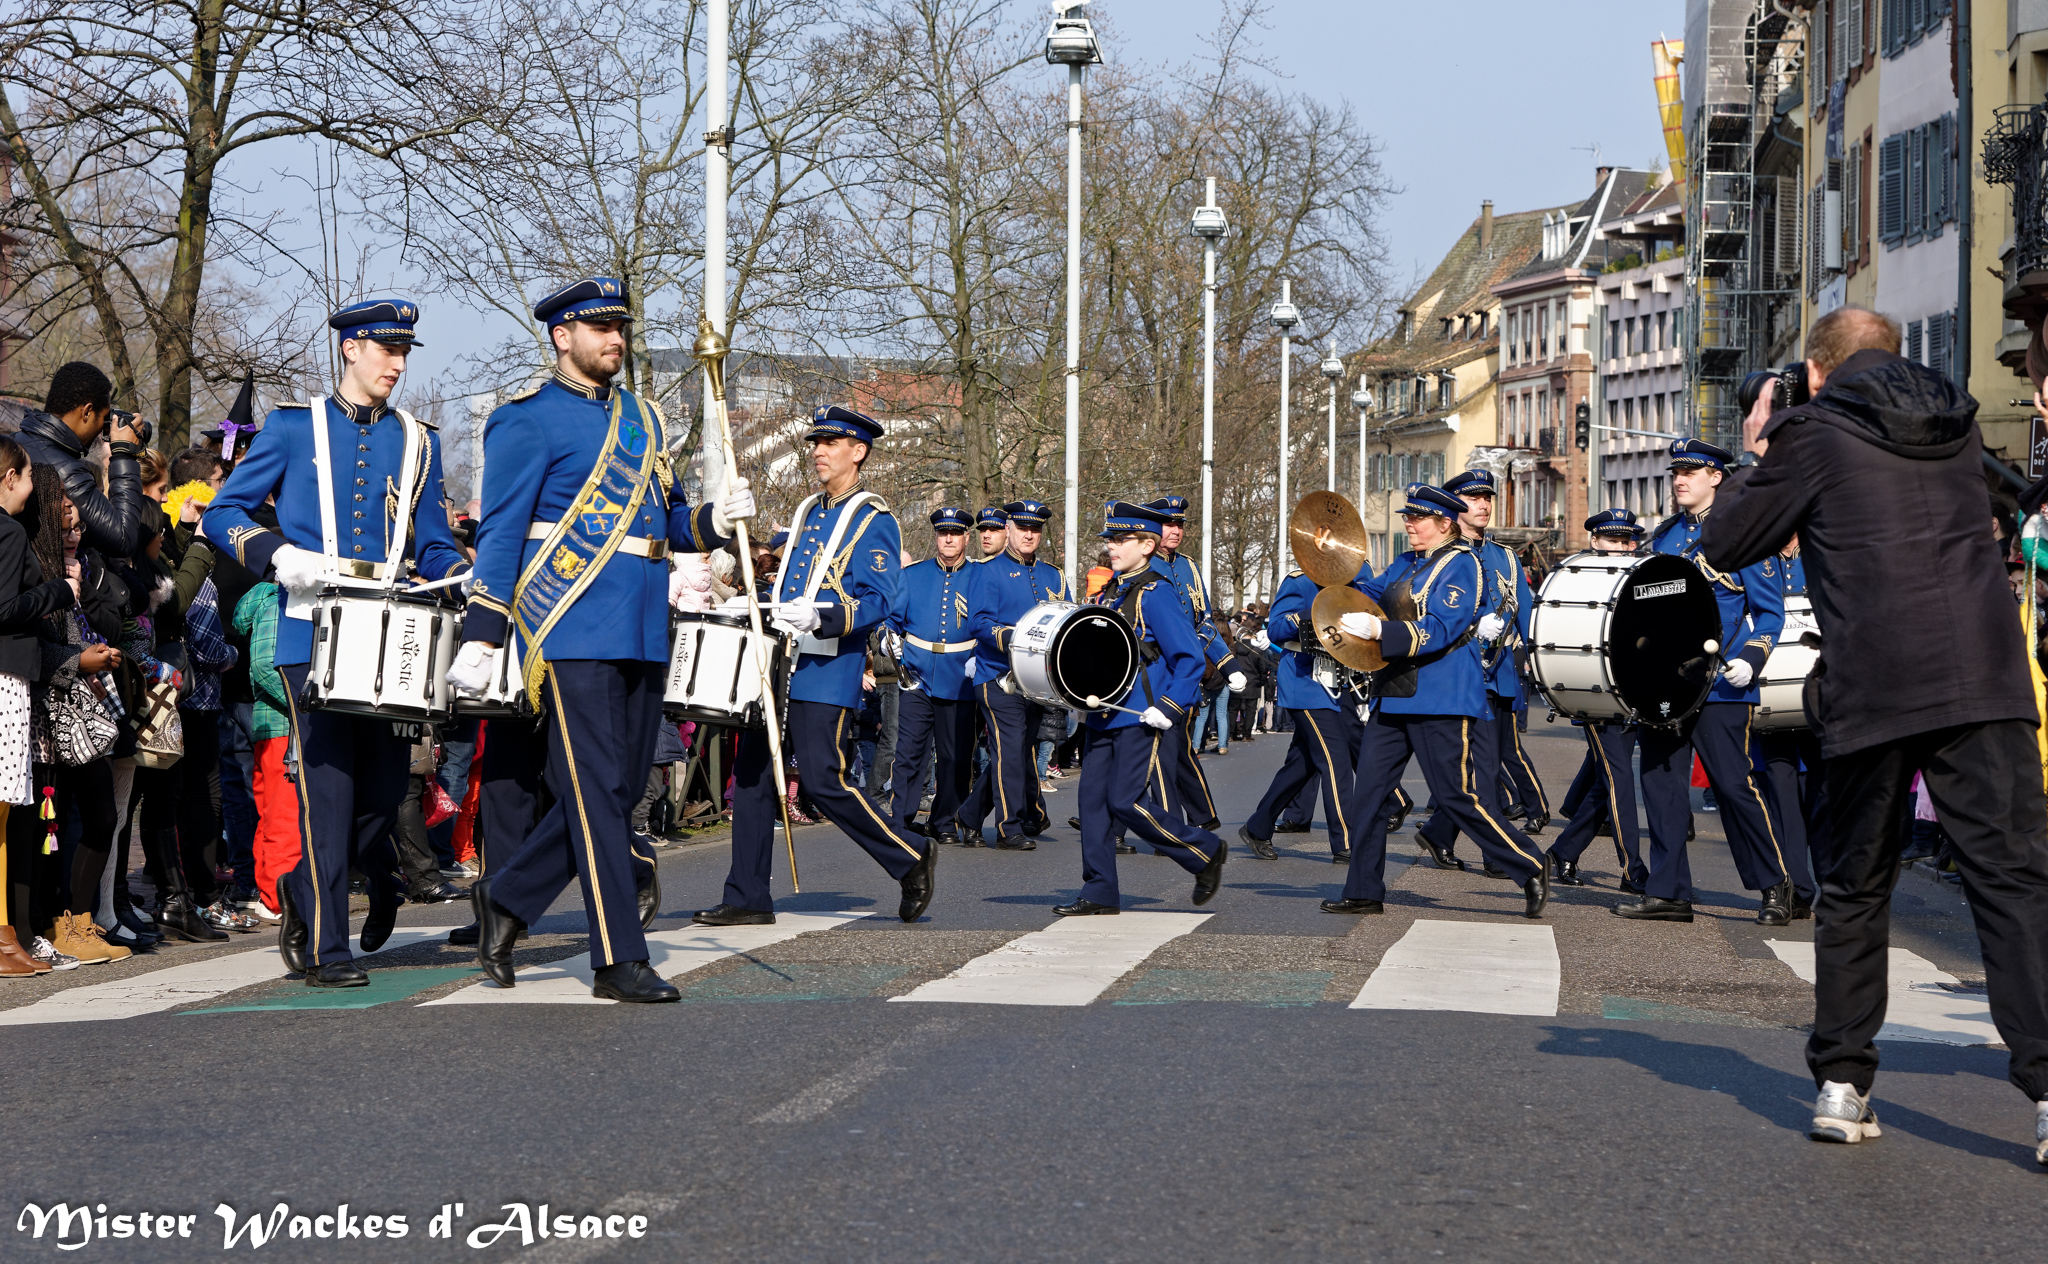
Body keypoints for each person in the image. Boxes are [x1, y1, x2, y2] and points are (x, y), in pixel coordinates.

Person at [1702, 304, 2048, 1162]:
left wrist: (1760, 449)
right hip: (1984, 680)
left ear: (1816, 371)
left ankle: (1843, 1083)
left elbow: (1728, 541)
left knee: (1857, 888)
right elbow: (2009, 502)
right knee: (2014, 884)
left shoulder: (1813, 432)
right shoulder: (1958, 423)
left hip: (1876, 683)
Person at [449, 278, 746, 1002]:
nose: (616, 339)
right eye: (600, 328)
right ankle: (617, 958)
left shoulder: (643, 419)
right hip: (570, 624)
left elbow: (666, 520)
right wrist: (484, 631)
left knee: (615, 791)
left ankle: (508, 896)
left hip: (643, 625)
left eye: (621, 328)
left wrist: (713, 521)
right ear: (562, 337)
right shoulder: (524, 420)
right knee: (594, 789)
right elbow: (502, 533)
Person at [202, 297, 469, 988]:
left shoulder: (418, 440)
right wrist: (276, 554)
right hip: (307, 631)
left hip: (387, 637)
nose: (398, 364)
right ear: (350, 348)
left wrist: (458, 576)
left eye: (404, 351)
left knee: (381, 798)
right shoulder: (294, 427)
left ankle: (307, 886)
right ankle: (329, 948)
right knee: (328, 794)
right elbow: (223, 513)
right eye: (386, 349)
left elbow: (433, 542)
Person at [693, 405, 933, 929]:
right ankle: (748, 895)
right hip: (779, 661)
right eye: (815, 444)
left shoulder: (874, 519)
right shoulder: (808, 510)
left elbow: (881, 600)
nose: (819, 452)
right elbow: (791, 581)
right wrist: (759, 602)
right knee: (753, 776)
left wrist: (824, 616)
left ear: (858, 451)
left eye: (830, 444)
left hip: (828, 665)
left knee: (824, 781)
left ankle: (909, 853)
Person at [1323, 483, 1549, 918]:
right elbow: (1369, 592)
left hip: (1442, 696)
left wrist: (1383, 632)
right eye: (1408, 517)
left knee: (1458, 796)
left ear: (1445, 523)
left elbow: (1442, 627)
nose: (1409, 524)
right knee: (1369, 794)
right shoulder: (1407, 562)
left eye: (1417, 518)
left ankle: (1530, 864)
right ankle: (1364, 889)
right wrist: (1333, 565)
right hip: (1395, 693)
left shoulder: (1462, 563)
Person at [1613, 438, 1793, 926]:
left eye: (1690, 472)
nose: (1679, 480)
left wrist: (1752, 659)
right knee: (1662, 786)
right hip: (1665, 683)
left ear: (1716, 477)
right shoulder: (1666, 537)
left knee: (1733, 785)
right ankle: (1669, 891)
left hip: (1720, 683)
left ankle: (1775, 883)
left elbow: (1770, 613)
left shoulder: (1744, 535)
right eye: (1676, 472)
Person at [1053, 501, 1228, 916]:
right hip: (1104, 710)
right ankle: (1100, 890)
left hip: (1140, 713)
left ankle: (1204, 850)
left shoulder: (1156, 593)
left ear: (1147, 545)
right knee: (1092, 803)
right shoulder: (1111, 592)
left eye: (1120, 539)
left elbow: (1188, 656)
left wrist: (1169, 706)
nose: (1111, 546)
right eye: (1110, 539)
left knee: (1124, 801)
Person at [1411, 469, 1548, 872]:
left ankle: (1438, 833)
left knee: (1480, 768)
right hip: (1461, 675)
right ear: (1454, 507)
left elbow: (1526, 615)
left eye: (1487, 497)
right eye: (1473, 498)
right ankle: (1497, 855)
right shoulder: (1440, 555)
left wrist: (1538, 665)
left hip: (1500, 675)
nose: (1484, 504)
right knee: (1483, 770)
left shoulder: (1506, 557)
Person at [0, 438, 78, 977]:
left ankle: (8, 934)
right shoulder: (7, 532)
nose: (31, 488)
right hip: (6, 675)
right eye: (28, 476)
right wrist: (59, 591)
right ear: (9, 478)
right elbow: (5, 608)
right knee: (4, 809)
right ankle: (4, 937)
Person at [1543, 509, 1649, 892]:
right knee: (1619, 779)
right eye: (1611, 540)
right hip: (1596, 694)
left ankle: (1563, 852)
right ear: (1594, 542)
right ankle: (1633, 870)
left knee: (1606, 783)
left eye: (1625, 541)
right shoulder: (1576, 578)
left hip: (1635, 693)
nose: (1620, 548)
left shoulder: (1641, 575)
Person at [1238, 562, 1369, 863]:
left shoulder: (1357, 575)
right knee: (1336, 761)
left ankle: (1258, 827)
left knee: (1302, 765)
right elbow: (1275, 629)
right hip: (1305, 682)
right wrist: (1309, 613)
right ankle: (1346, 842)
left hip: (1337, 681)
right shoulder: (1299, 581)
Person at [957, 498, 1065, 848]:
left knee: (1014, 752)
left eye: (1035, 529)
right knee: (1011, 750)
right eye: (1022, 528)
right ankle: (1009, 827)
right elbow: (978, 622)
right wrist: (1015, 638)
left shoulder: (1053, 575)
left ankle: (969, 815)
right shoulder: (987, 571)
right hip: (997, 676)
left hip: (1036, 683)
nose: (1029, 535)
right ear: (1009, 529)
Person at [1142, 494, 1244, 830]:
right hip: (1153, 671)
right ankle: (1168, 825)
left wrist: (1228, 664)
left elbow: (1203, 622)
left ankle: (1199, 817)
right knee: (1159, 751)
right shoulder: (1142, 564)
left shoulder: (1188, 566)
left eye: (1180, 524)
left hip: (1185, 674)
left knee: (1177, 749)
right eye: (1168, 524)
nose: (1175, 530)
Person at [886, 507, 979, 846]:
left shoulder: (980, 576)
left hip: (961, 677)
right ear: (936, 537)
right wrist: (887, 639)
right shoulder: (912, 575)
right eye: (943, 533)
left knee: (955, 757)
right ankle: (900, 819)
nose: (948, 539)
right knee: (909, 752)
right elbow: (891, 620)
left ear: (966, 537)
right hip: (917, 676)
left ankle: (945, 820)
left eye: (955, 533)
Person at [16, 362, 151, 559]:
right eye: (104, 418)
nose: (103, 429)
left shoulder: (16, 443)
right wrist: (124, 454)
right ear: (87, 412)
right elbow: (123, 538)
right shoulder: (66, 469)